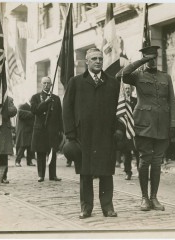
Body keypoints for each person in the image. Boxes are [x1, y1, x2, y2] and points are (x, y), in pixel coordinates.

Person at [116, 46, 175, 211]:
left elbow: (171, 100)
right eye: (148, 58)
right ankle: (144, 197)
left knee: (157, 162)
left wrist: (173, 123)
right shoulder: (137, 75)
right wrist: (141, 61)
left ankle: (154, 197)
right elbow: (120, 75)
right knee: (144, 160)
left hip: (162, 125)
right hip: (143, 124)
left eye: (153, 58)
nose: (152, 61)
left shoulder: (166, 77)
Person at [63, 48, 120, 219]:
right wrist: (71, 134)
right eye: (94, 59)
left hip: (105, 135)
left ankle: (107, 207)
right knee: (85, 173)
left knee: (106, 172)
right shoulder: (76, 82)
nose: (98, 61)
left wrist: (119, 130)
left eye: (100, 59)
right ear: (87, 61)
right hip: (83, 136)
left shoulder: (113, 83)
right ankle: (86, 207)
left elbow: (120, 109)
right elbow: (67, 109)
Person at [30, 76, 63, 182]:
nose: (46, 85)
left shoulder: (56, 98)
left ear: (51, 85)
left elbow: (59, 115)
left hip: (52, 130)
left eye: (48, 83)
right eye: (44, 83)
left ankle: (53, 175)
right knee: (41, 153)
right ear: (41, 84)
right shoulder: (35, 97)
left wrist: (61, 130)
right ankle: (41, 175)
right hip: (40, 130)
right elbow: (35, 110)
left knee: (52, 153)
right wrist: (45, 102)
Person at [117, 84, 139, 180]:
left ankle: (140, 171)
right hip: (125, 131)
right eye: (125, 89)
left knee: (138, 152)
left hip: (135, 131)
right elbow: (118, 117)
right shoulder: (120, 103)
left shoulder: (136, 101)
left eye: (128, 88)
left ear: (132, 89)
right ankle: (128, 172)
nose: (127, 90)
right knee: (127, 153)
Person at [15, 98, 35, 167]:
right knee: (22, 146)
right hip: (24, 130)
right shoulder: (23, 106)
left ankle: (29, 162)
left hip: (30, 130)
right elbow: (20, 114)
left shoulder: (31, 108)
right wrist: (32, 113)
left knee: (30, 146)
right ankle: (17, 161)